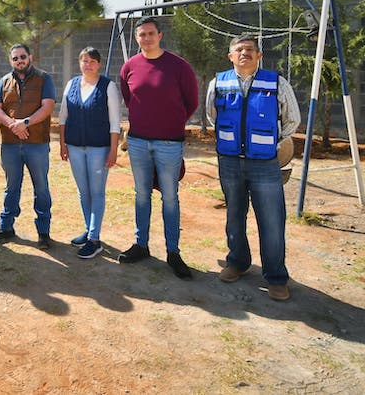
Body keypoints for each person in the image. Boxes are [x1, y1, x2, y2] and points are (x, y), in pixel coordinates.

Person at [207, 34, 301, 301]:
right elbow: (212, 115)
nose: (244, 52)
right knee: (234, 215)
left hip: (264, 164)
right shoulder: (218, 83)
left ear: (259, 55)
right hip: (230, 161)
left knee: (271, 220)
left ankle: (276, 277)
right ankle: (237, 262)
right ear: (230, 56)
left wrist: (272, 141)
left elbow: (292, 119)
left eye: (250, 49)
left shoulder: (276, 83)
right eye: (239, 49)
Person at [118, 16, 199, 279]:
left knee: (170, 197)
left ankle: (173, 252)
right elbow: (129, 99)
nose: (147, 38)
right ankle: (141, 245)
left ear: (160, 35)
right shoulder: (129, 67)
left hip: (169, 144)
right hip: (138, 142)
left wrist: (170, 123)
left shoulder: (179, 66)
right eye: (142, 34)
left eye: (151, 33)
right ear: (136, 38)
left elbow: (191, 102)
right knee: (142, 195)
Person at [0, 43, 56, 249]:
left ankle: (43, 232)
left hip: (37, 144)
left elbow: (48, 106)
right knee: (11, 187)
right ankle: (6, 227)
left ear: (30, 57)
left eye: (22, 57)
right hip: (10, 144)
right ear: (11, 61)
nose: (19, 61)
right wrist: (13, 125)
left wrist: (25, 123)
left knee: (41, 187)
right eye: (15, 58)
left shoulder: (44, 78)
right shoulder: (4, 81)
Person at [58, 47, 122, 259]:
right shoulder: (71, 84)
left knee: (97, 192)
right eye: (85, 61)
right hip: (75, 147)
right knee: (83, 191)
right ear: (80, 63)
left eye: (93, 61)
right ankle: (89, 230)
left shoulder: (108, 86)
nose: (88, 65)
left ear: (99, 64)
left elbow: (115, 121)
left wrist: (113, 150)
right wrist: (62, 144)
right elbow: (63, 117)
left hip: (99, 149)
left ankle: (94, 239)